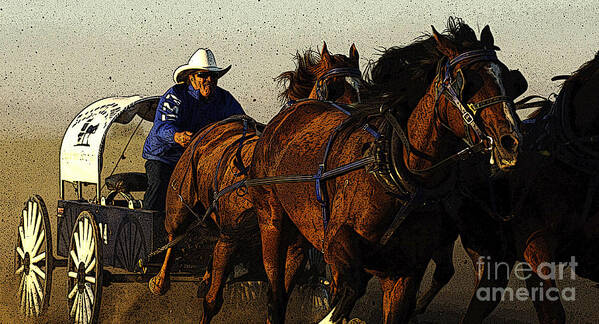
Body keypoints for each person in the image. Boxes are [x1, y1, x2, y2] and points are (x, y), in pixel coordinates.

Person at [142, 48, 245, 211]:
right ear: (191, 77)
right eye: (203, 75)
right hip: (165, 158)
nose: (209, 79)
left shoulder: (225, 99)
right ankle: (149, 229)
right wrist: (176, 136)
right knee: (159, 187)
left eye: (213, 76)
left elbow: (241, 122)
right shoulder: (175, 95)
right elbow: (162, 127)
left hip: (197, 160)